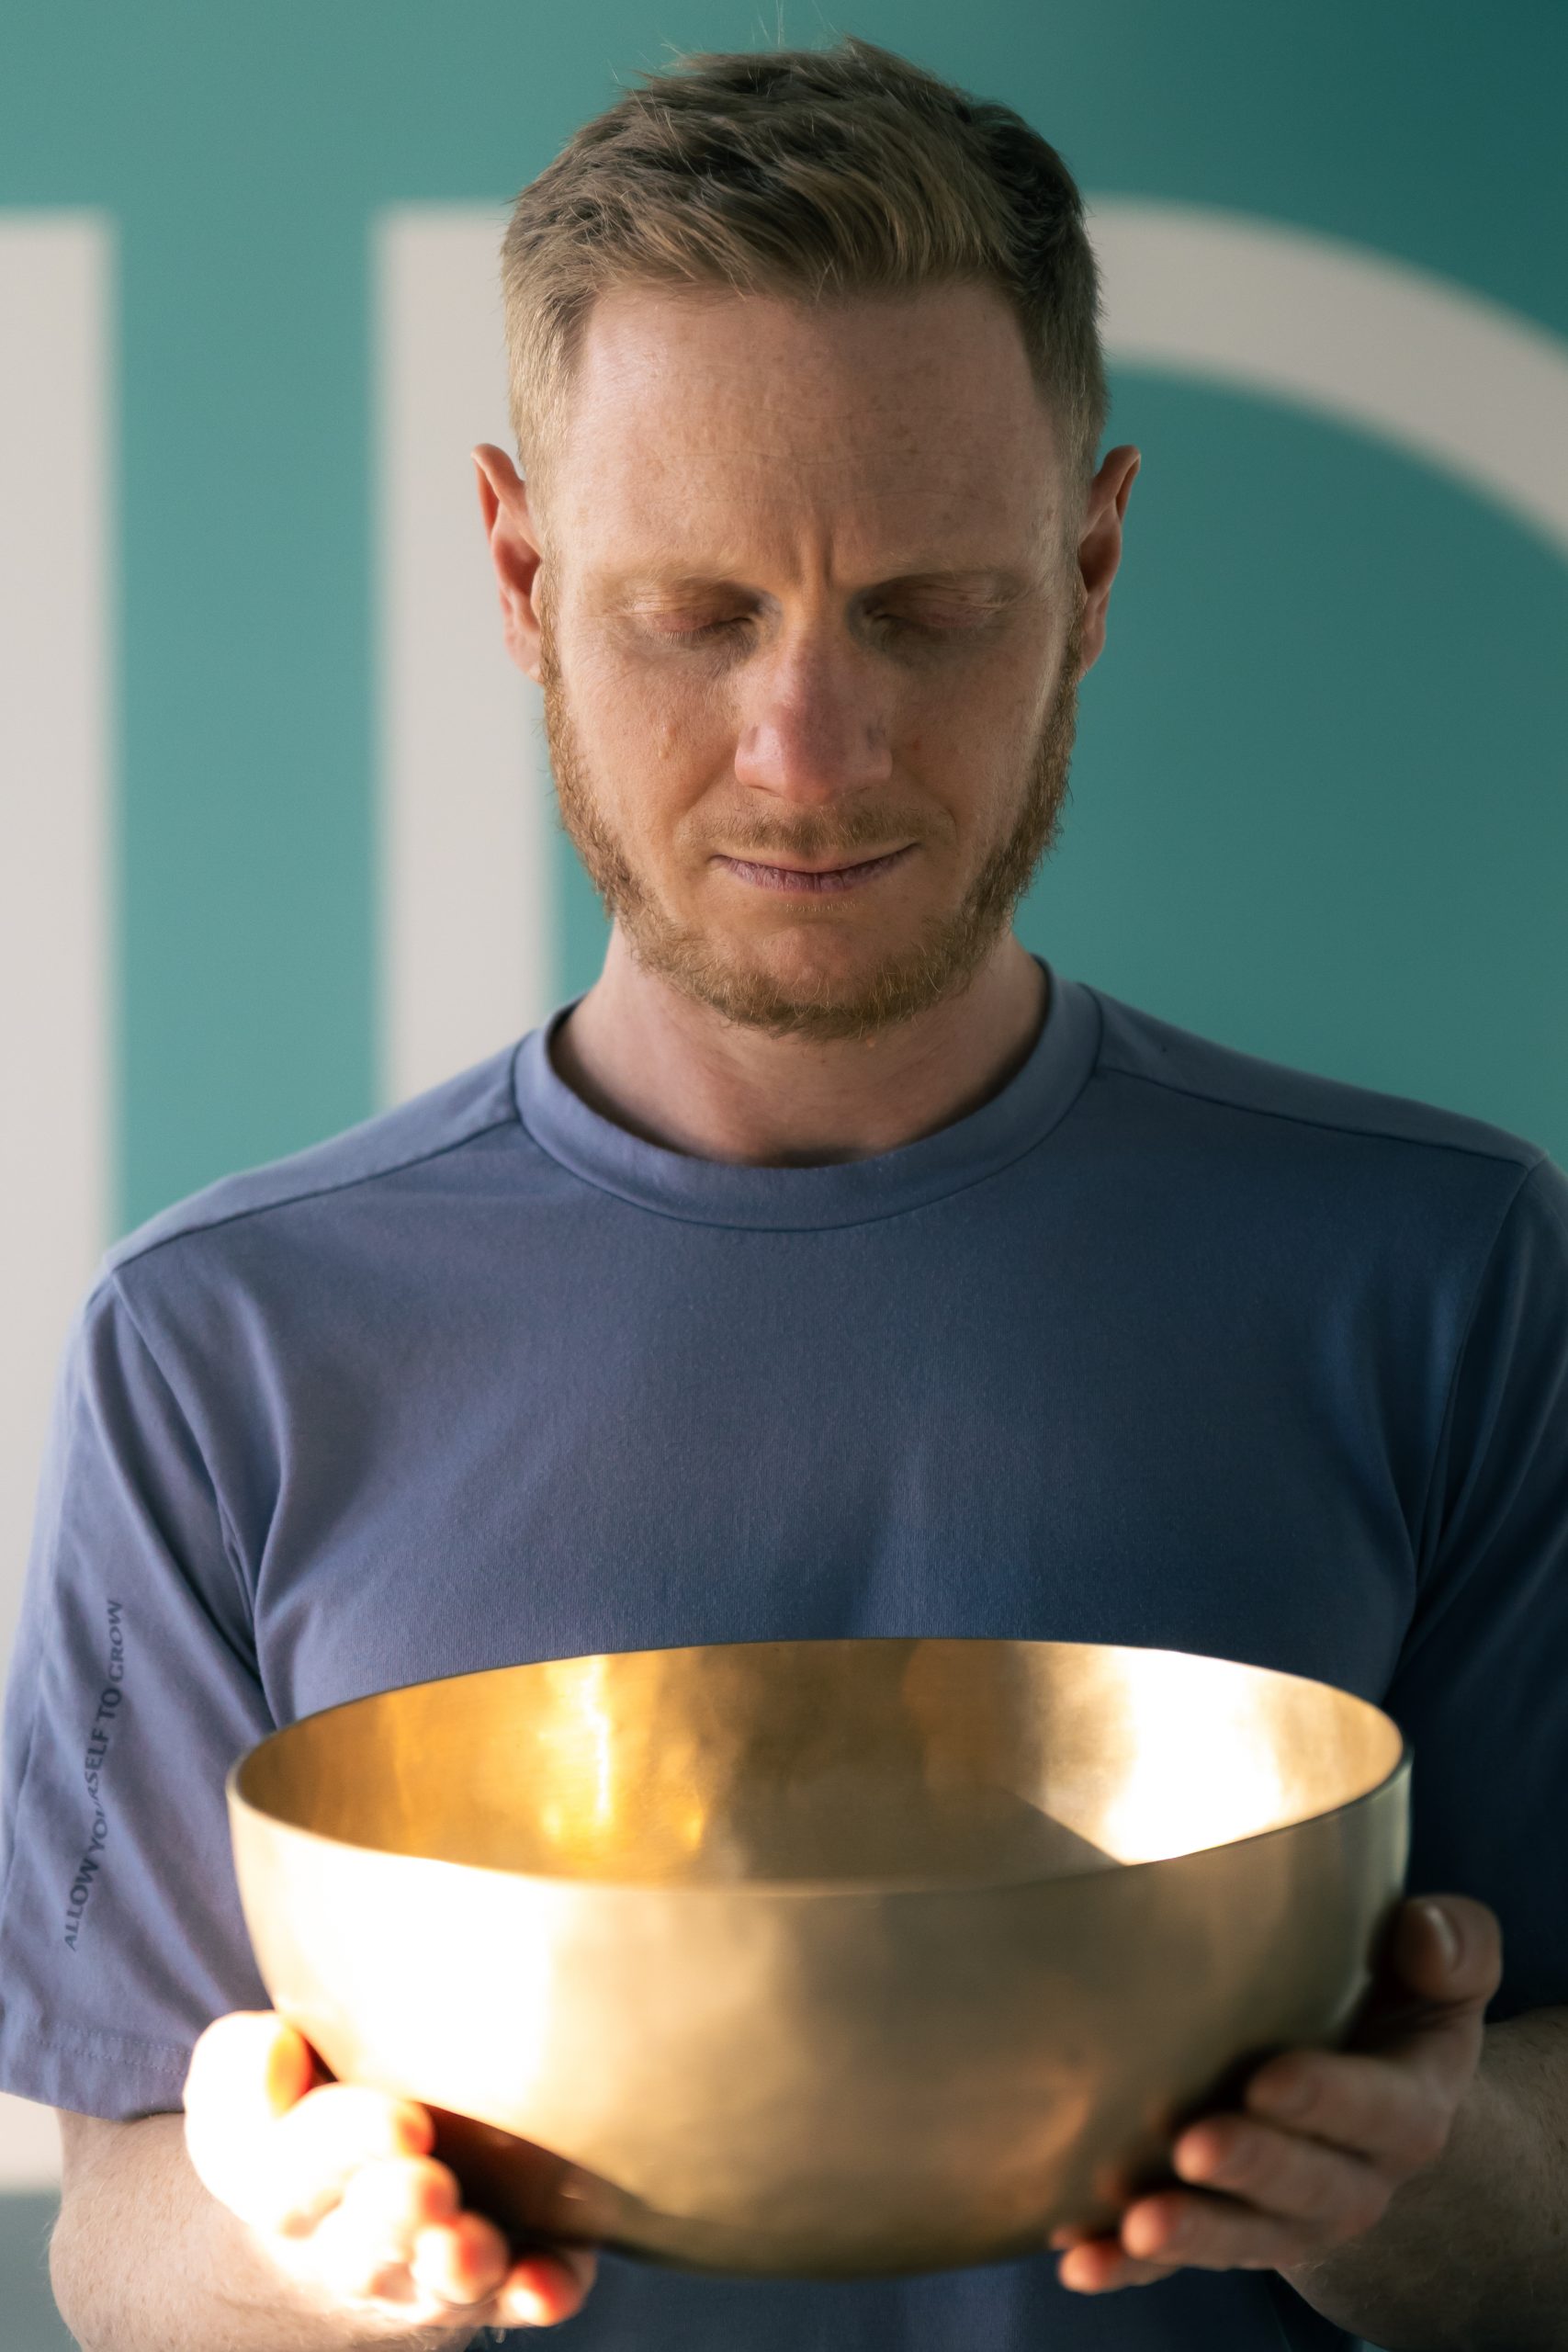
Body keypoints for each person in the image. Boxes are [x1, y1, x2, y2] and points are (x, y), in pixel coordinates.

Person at [2, 32, 1564, 2352]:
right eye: (695, 611)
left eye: (926, 610)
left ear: (1090, 566)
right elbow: (114, 2229)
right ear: (520, 569)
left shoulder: (1442, 1272)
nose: (806, 752)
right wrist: (287, 2247)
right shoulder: (221, 1339)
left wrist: (1395, 2185)